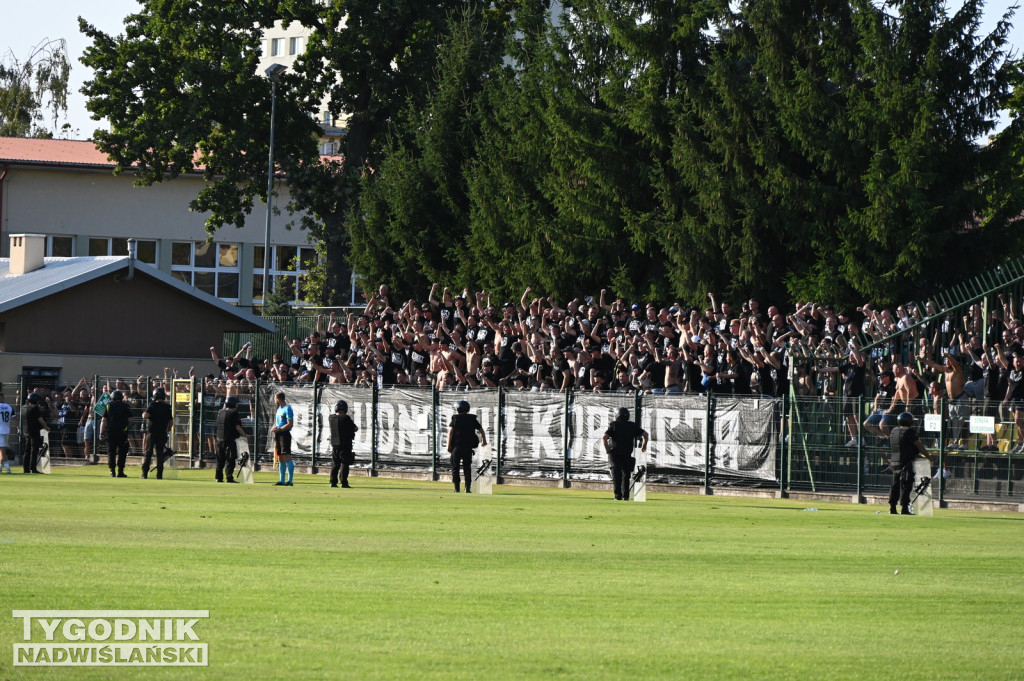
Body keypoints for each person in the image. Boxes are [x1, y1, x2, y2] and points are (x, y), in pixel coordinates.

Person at [887, 412, 931, 515]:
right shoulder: (909, 432)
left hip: (894, 462)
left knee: (895, 485)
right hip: (905, 462)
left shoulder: (893, 431)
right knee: (906, 485)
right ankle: (904, 509)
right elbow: (919, 446)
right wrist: (928, 457)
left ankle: (892, 507)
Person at [602, 407, 649, 501]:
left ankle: (617, 496)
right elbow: (645, 434)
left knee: (616, 475)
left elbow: (604, 437)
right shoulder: (632, 426)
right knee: (626, 476)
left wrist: (607, 449)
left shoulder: (614, 425)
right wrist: (643, 446)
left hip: (614, 454)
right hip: (627, 454)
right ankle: (626, 496)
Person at [446, 400, 486, 493]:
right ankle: (467, 488)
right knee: (467, 468)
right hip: (468, 448)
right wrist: (484, 441)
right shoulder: (472, 419)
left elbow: (451, 433)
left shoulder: (456, 418)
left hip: (457, 447)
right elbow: (481, 430)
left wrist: (449, 446)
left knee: (455, 467)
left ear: (458, 409)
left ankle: (457, 488)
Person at [141, 387, 173, 479]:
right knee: (160, 454)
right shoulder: (167, 407)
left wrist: (144, 414)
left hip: (151, 432)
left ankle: (144, 474)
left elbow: (146, 416)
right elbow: (171, 421)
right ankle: (159, 474)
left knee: (148, 453)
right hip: (162, 432)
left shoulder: (152, 405)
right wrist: (168, 429)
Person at [215, 396, 247, 483]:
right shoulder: (234, 413)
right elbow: (237, 427)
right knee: (230, 459)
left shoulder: (220, 412)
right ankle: (229, 477)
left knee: (220, 460)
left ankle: (219, 477)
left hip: (219, 439)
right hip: (229, 440)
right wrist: (244, 435)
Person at [101, 390, 133, 478]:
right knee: (122, 452)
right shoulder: (125, 406)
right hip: (122, 433)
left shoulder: (108, 406)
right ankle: (120, 471)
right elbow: (131, 420)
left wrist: (101, 432)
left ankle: (112, 471)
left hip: (110, 433)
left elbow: (103, 420)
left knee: (111, 452)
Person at [328, 400, 358, 488]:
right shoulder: (346, 418)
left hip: (334, 444)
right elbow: (355, 428)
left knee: (335, 463)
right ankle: (343, 482)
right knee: (345, 463)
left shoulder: (331, 418)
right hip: (345, 444)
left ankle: (333, 482)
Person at [270, 392, 295, 486]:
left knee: (287, 456)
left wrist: (280, 429)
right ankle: (281, 480)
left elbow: (290, 423)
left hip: (284, 434)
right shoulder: (279, 409)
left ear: (278, 399)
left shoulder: (288, 408)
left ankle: (290, 481)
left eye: (275, 399)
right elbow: (277, 423)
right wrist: (274, 428)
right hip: (278, 435)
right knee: (280, 457)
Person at [22, 393, 48, 474]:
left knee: (27, 451)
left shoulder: (23, 407)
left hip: (26, 431)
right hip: (34, 431)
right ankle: (33, 468)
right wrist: (47, 427)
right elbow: (40, 419)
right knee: (34, 450)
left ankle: (26, 469)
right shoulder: (35, 408)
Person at [0, 394, 13, 473]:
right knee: (2, 450)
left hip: (0, 431)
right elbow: (15, 417)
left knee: (2, 452)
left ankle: (8, 468)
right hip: (6, 430)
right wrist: (18, 427)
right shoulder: (8, 407)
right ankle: (1, 468)